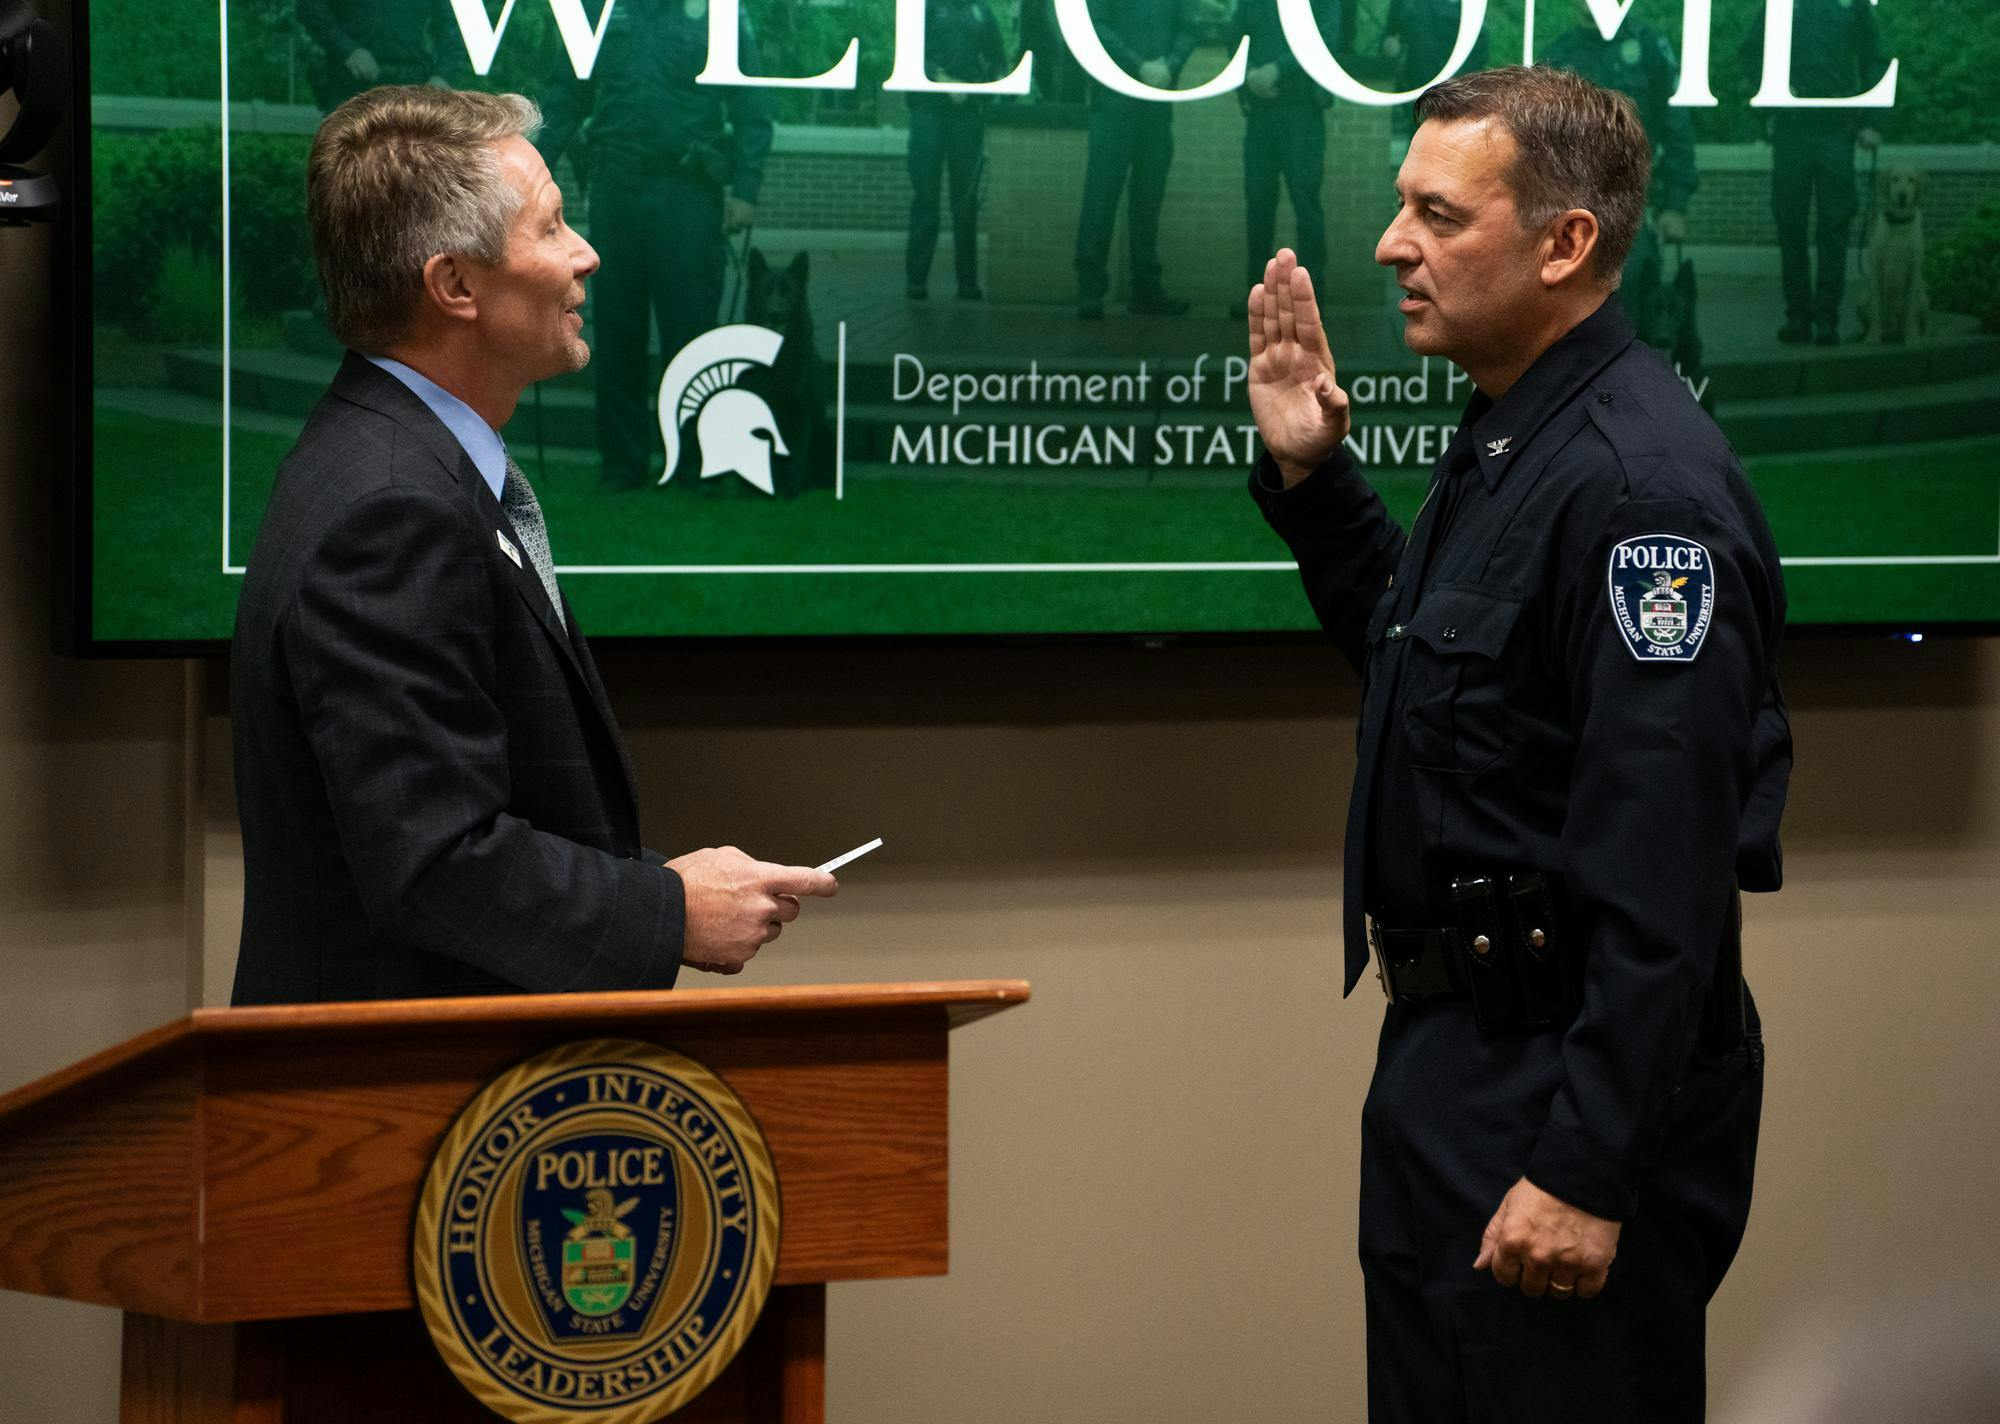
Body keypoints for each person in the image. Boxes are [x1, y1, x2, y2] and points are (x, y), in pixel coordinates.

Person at [1244, 66, 1789, 1420]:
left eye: (1438, 213)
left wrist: (1590, 1165)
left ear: (1565, 244)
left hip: (1557, 1089)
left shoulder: (1637, 488)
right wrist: (1315, 480)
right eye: (1398, 207)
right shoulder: (1515, 441)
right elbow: (1426, 673)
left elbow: (1665, 869)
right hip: (1460, 1064)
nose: (1391, 245)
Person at [231, 87, 835, 1005]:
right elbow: (438, 865)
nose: (587, 253)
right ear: (456, 286)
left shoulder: (397, 458)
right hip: (399, 1103)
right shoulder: (392, 510)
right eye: (551, 228)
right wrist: (667, 910)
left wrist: (656, 888)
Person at [537, 0, 774, 487]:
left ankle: (692, 462)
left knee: (690, 329)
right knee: (618, 327)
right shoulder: (597, 12)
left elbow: (753, 108)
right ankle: (622, 462)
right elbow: (562, 99)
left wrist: (746, 190)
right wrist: (533, 178)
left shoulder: (717, 14)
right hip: (616, 187)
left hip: (687, 190)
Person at [1545, 8, 1697, 348]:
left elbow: (1677, 128)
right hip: (1571, 207)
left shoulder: (1648, 45)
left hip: (1631, 206)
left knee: (1632, 311)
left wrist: (1676, 203)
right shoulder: (1558, 54)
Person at [1740, 0, 1887, 345]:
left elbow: (1874, 59)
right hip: (1793, 126)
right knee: (1790, 223)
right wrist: (1768, 105)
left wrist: (1871, 121)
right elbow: (1749, 56)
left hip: (1837, 126)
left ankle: (1826, 319)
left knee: (1834, 225)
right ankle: (1798, 317)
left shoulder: (1854, 6)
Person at [1072, 0, 1195, 319]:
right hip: (1114, 101)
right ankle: (1091, 289)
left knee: (1148, 198)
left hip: (1155, 103)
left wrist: (1170, 65)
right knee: (1101, 195)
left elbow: (1188, 27)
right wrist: (1140, 66)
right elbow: (1096, 28)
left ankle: (1145, 289)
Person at [1234, 0, 1341, 316]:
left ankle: (1312, 301)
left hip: (1302, 111)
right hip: (1261, 113)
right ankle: (1257, 300)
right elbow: (1236, 38)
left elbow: (1325, 42)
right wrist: (1252, 74)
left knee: (1305, 202)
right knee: (1258, 204)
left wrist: (1275, 70)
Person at [905, 0, 1009, 301]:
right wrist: (943, 80)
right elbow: (909, 56)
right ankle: (916, 282)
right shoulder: (924, 7)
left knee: (965, 202)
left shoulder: (982, 10)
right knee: (926, 198)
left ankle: (967, 282)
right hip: (928, 113)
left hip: (968, 116)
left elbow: (997, 59)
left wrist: (998, 80)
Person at [295, 0, 460, 112]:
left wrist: (442, 75)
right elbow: (310, 9)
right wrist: (347, 50)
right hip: (351, 85)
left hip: (413, 85)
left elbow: (451, 25)